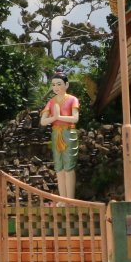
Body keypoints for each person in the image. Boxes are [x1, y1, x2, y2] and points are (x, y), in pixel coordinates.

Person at [40, 70, 81, 198]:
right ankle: (63, 198)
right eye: (53, 85)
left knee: (69, 167)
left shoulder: (72, 99)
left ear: (66, 85)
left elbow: (75, 119)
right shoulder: (51, 102)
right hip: (56, 133)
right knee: (59, 168)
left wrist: (59, 116)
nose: (56, 87)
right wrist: (54, 118)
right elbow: (43, 121)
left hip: (69, 133)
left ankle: (70, 199)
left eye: (59, 84)